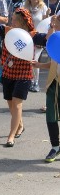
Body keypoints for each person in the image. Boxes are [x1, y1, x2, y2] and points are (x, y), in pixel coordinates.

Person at [0, 0, 45, 147]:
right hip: (8, 73)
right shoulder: (8, 31)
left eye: (15, 19)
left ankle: (11, 135)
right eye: (12, 18)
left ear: (22, 21)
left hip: (24, 74)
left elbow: (48, 40)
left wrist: (52, 26)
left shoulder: (33, 35)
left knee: (17, 104)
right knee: (11, 104)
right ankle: (20, 125)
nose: (12, 21)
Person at [32, 16, 59, 161]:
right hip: (53, 82)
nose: (54, 24)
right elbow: (54, 61)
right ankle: (55, 146)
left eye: (56, 22)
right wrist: (39, 65)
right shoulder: (56, 39)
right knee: (51, 116)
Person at [24, 0, 50, 92]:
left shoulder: (43, 7)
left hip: (39, 37)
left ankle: (36, 82)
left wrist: (47, 14)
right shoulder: (25, 7)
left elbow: (46, 23)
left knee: (34, 59)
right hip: (27, 36)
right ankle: (28, 80)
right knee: (27, 59)